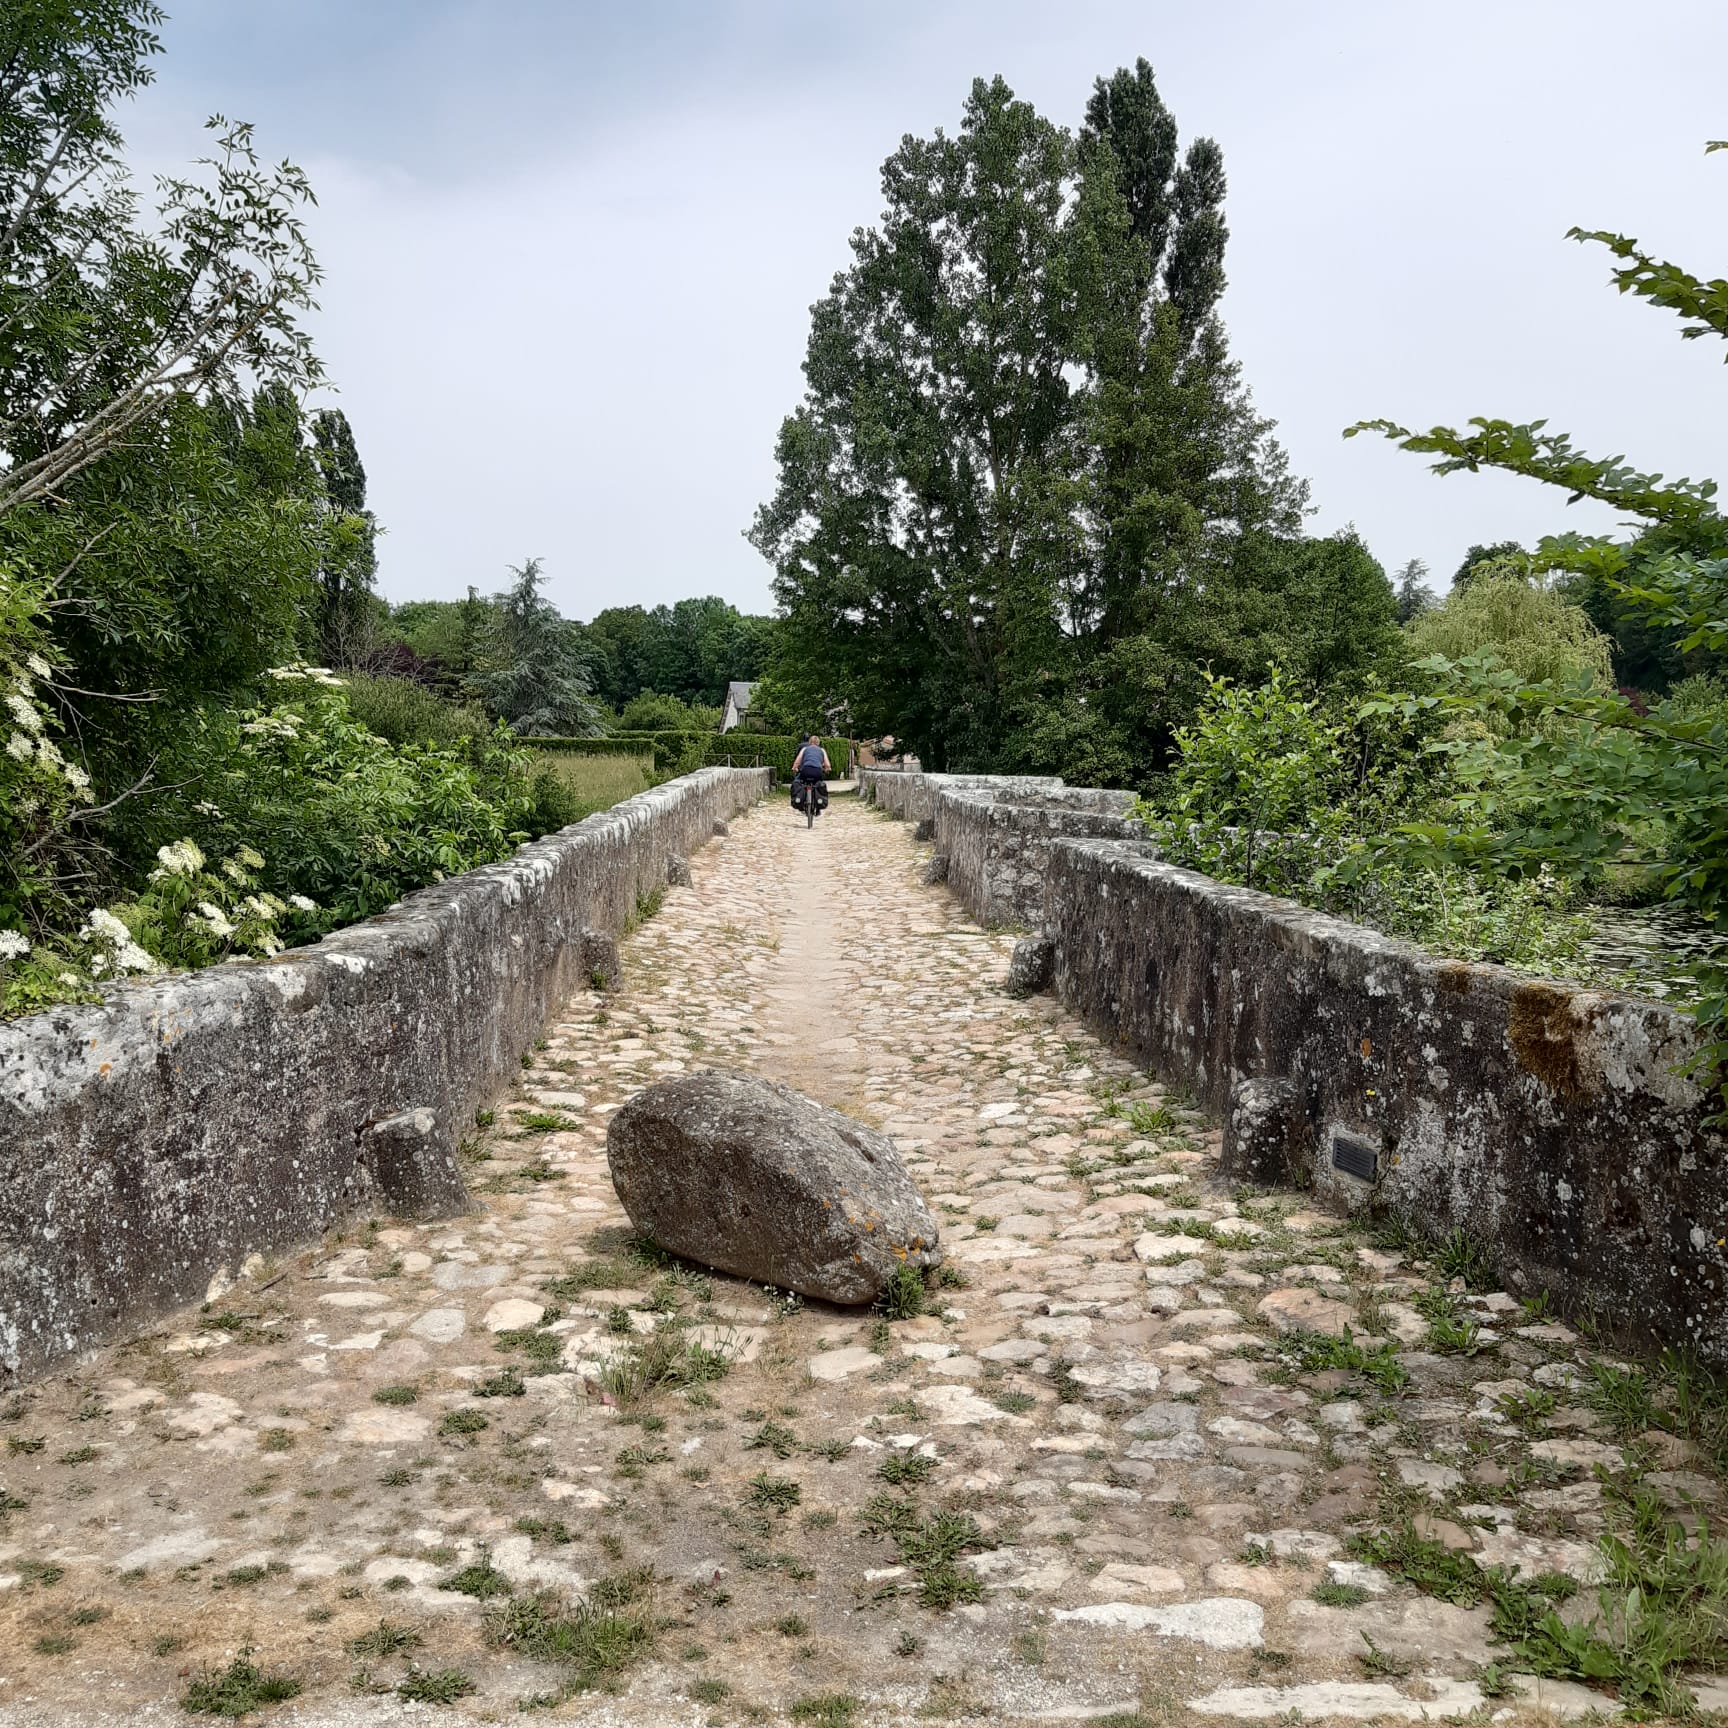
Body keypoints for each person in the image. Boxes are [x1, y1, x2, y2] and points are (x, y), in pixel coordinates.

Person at [791, 733, 830, 816]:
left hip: (805, 770)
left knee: (798, 781)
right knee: (819, 784)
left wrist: (794, 768)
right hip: (817, 771)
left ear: (809, 742)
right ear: (818, 743)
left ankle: (800, 802)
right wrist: (827, 769)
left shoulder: (805, 749)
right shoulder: (822, 750)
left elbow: (798, 761)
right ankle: (818, 808)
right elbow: (827, 764)